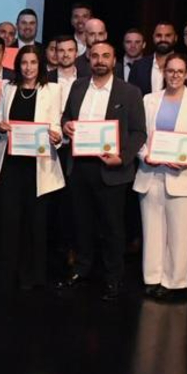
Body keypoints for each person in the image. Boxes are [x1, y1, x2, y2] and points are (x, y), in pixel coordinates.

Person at [58, 42, 148, 300]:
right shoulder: (77, 87)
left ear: (114, 60)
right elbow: (66, 117)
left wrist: (122, 157)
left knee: (112, 227)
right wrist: (66, 127)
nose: (99, 60)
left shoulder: (130, 92)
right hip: (80, 167)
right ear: (88, 59)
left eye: (105, 56)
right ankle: (82, 269)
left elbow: (139, 132)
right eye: (95, 56)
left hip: (111, 168)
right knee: (81, 223)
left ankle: (113, 278)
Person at [133, 54, 187, 299]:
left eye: (180, 71)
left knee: (180, 233)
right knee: (152, 230)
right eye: (171, 71)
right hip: (151, 173)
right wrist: (145, 155)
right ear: (164, 72)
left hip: (183, 174)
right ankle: (153, 277)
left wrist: (185, 159)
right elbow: (139, 135)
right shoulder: (149, 100)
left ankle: (175, 282)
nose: (175, 75)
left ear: (186, 74)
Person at [0, 46, 66, 290]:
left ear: (40, 64)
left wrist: (57, 136)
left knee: (35, 222)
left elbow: (56, 123)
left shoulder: (52, 90)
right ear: (18, 65)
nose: (29, 67)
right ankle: (7, 275)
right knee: (9, 221)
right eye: (24, 62)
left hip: (38, 165)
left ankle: (32, 277)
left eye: (33, 62)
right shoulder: (8, 87)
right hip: (11, 165)